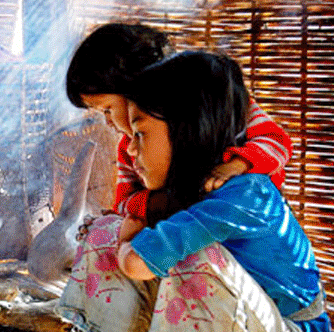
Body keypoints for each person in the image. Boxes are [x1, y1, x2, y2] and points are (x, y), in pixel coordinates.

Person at [57, 50, 333, 332]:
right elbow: (127, 243)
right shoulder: (185, 192)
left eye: (142, 135)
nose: (130, 151)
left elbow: (135, 264)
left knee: (190, 259)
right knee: (103, 234)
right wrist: (124, 234)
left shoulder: (244, 193)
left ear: (186, 133)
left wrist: (131, 237)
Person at [65, 23, 292, 235]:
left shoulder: (221, 103)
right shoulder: (130, 149)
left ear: (136, 88)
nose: (108, 122)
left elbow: (276, 142)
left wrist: (235, 166)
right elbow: (125, 202)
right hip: (185, 236)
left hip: (248, 232)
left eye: (107, 109)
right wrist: (164, 203)